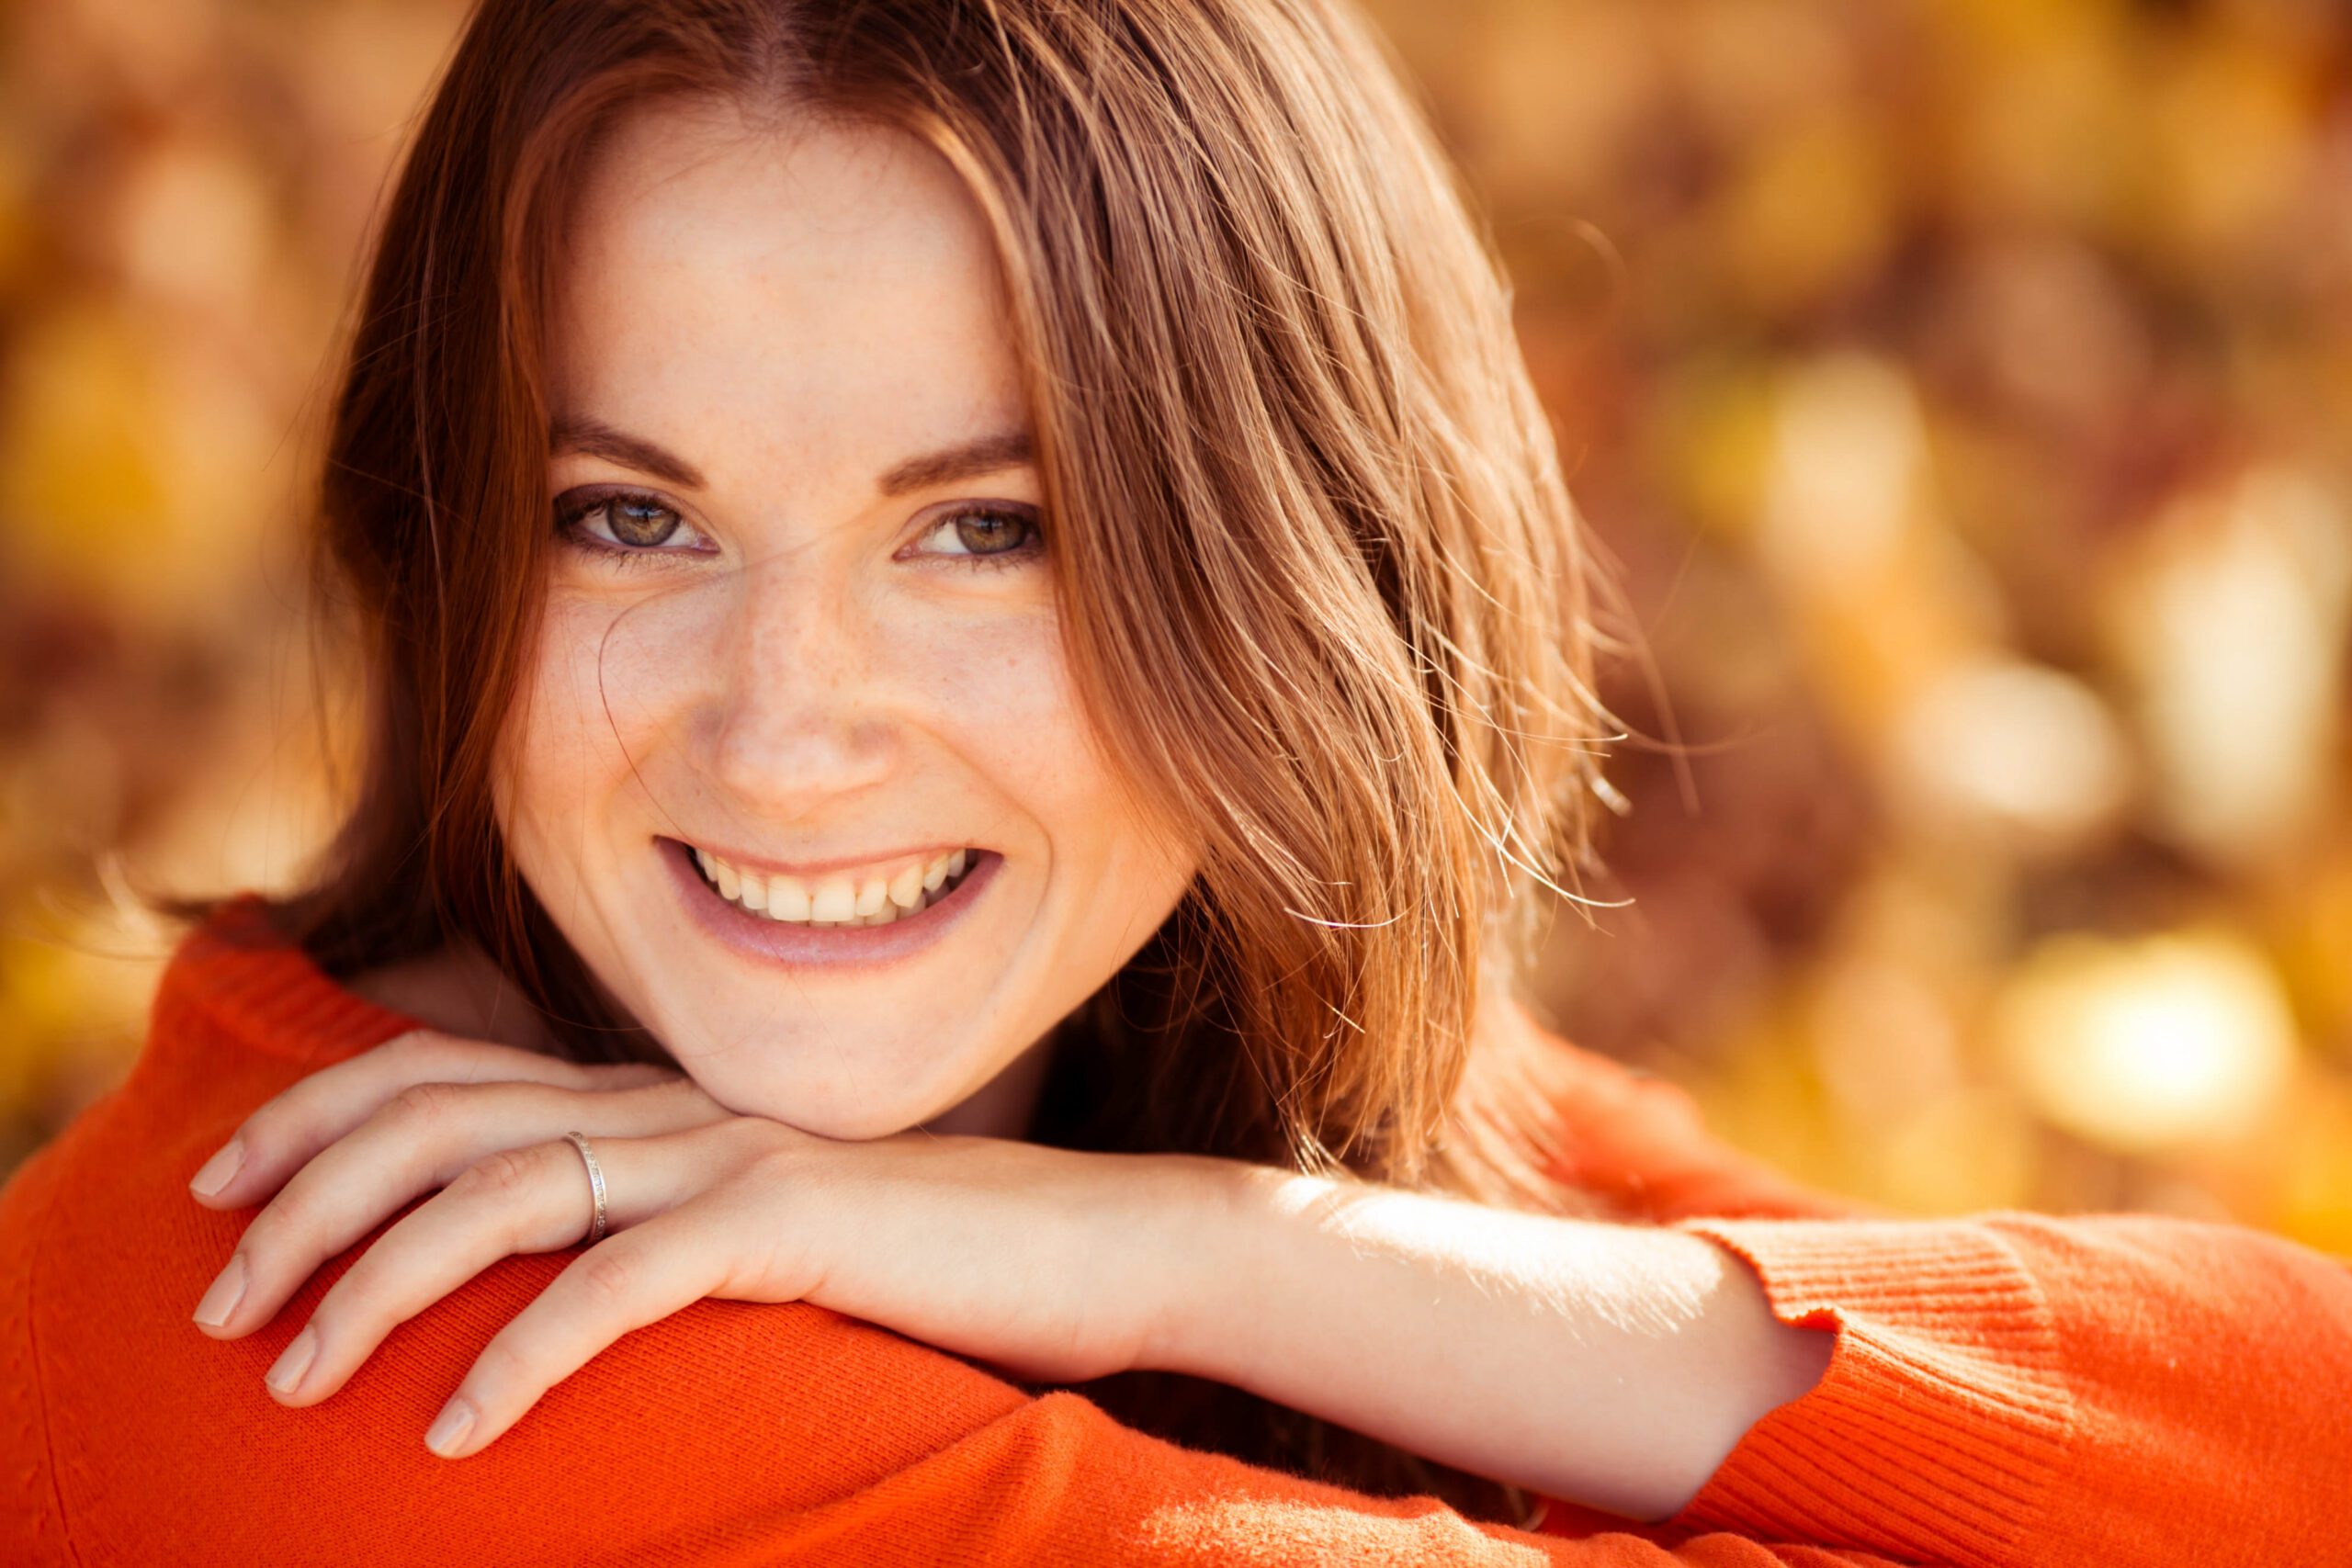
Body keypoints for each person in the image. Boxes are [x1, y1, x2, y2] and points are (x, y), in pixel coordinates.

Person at [2, 0, 2346, 1562]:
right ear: (450, 540)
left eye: (985, 531)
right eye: (627, 513)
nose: (787, 724)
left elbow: (2293, 1427)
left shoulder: (1110, 1072)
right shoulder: (355, 1344)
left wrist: (1172, 1250)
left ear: (1284, 563)